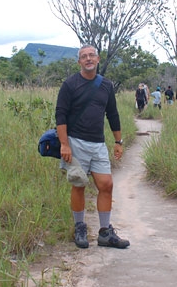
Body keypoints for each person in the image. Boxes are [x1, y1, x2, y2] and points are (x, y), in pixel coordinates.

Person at [55, 44, 130, 249]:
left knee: (106, 184)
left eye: (91, 55)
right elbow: (60, 115)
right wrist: (64, 144)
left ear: (98, 59)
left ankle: (105, 232)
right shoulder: (70, 84)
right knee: (78, 184)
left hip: (98, 143)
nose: (88, 59)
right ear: (79, 61)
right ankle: (80, 227)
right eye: (84, 56)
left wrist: (118, 141)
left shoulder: (106, 85)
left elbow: (112, 114)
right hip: (75, 142)